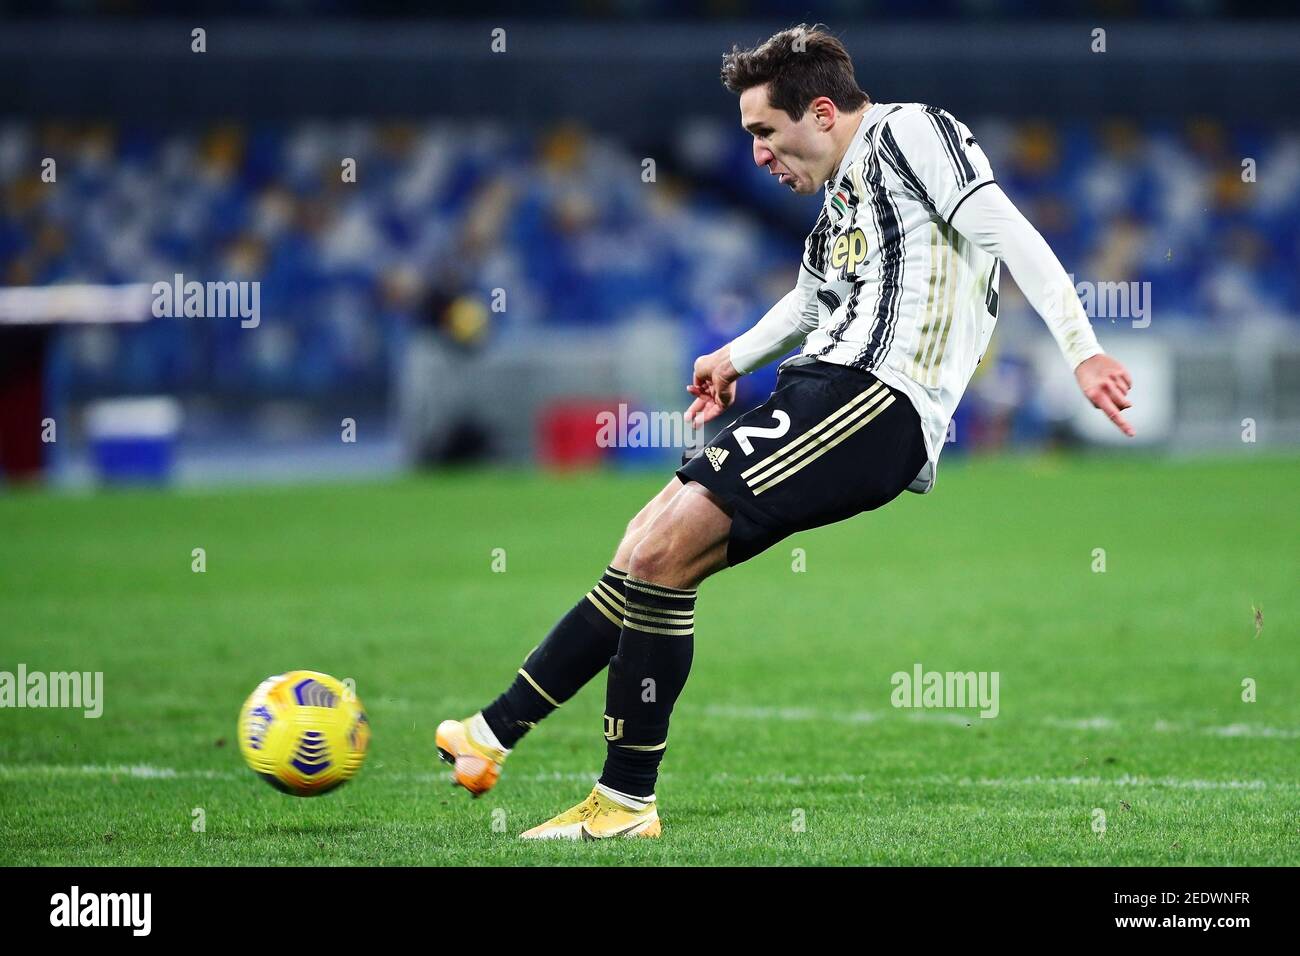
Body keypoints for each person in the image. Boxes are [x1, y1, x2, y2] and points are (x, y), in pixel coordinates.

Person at [436, 23, 1135, 840]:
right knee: (647, 542)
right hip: (825, 388)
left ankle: (623, 803)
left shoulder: (913, 133)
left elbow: (1010, 233)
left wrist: (1083, 352)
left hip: (877, 399)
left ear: (825, 110)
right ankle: (491, 736)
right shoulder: (844, 190)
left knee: (665, 551)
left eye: (764, 132)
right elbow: (810, 302)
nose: (758, 154)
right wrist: (732, 356)